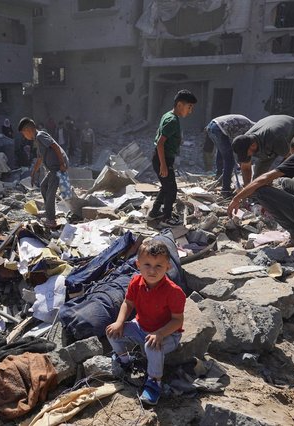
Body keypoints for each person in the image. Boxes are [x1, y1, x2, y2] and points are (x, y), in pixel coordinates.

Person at [106, 238, 185, 406]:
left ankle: (154, 381)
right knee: (112, 331)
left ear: (168, 267)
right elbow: (128, 303)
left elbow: (177, 321)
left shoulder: (174, 292)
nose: (152, 271)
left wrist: (160, 334)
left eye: (158, 266)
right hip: (140, 327)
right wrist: (120, 322)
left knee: (152, 345)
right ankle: (125, 360)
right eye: (147, 265)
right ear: (138, 264)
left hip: (167, 335)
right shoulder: (136, 282)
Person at [148, 89, 197, 226]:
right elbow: (160, 143)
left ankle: (154, 213)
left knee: (166, 187)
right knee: (172, 190)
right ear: (180, 105)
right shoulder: (172, 120)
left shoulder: (168, 115)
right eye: (189, 107)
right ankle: (167, 218)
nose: (190, 111)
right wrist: (163, 165)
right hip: (162, 159)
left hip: (161, 158)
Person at [18, 117, 69, 228]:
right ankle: (49, 212)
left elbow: (55, 146)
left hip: (57, 167)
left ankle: (51, 220)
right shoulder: (37, 140)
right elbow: (40, 158)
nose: (24, 136)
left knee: (50, 193)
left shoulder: (41, 135)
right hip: (53, 169)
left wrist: (62, 164)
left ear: (28, 130)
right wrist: (33, 174)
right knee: (43, 186)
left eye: (23, 134)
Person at [231, 115, 294, 186]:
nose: (246, 156)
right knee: (258, 180)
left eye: (246, 153)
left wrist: (272, 176)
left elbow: (289, 157)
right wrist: (247, 190)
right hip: (269, 138)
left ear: (253, 145)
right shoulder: (245, 141)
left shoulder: (275, 137)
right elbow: (246, 167)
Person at [205, 114, 255, 197]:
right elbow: (239, 147)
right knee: (229, 160)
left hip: (212, 126)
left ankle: (219, 175)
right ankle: (226, 190)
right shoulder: (249, 131)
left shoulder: (248, 124)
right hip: (218, 129)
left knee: (222, 152)